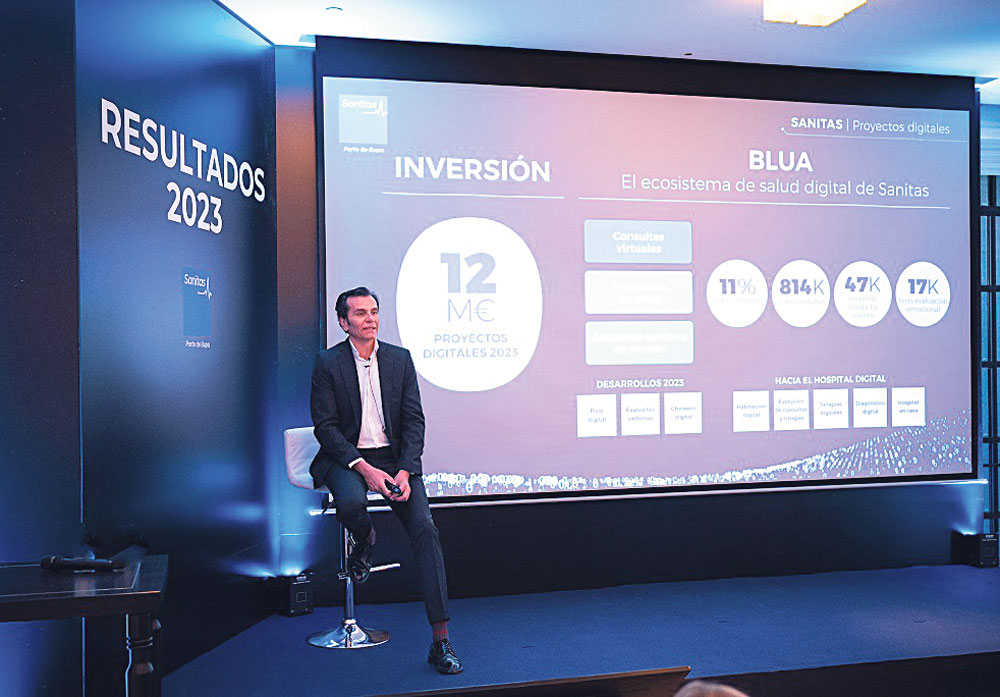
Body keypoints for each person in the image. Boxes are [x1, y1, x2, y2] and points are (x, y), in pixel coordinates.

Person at [309, 286, 463, 674]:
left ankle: (441, 641)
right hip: (347, 458)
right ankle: (365, 540)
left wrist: (405, 471)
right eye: (360, 313)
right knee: (351, 504)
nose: (371, 319)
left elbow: (414, 422)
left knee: (426, 530)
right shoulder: (328, 363)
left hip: (395, 461)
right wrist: (365, 469)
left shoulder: (399, 359)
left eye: (374, 311)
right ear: (343, 322)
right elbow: (326, 428)